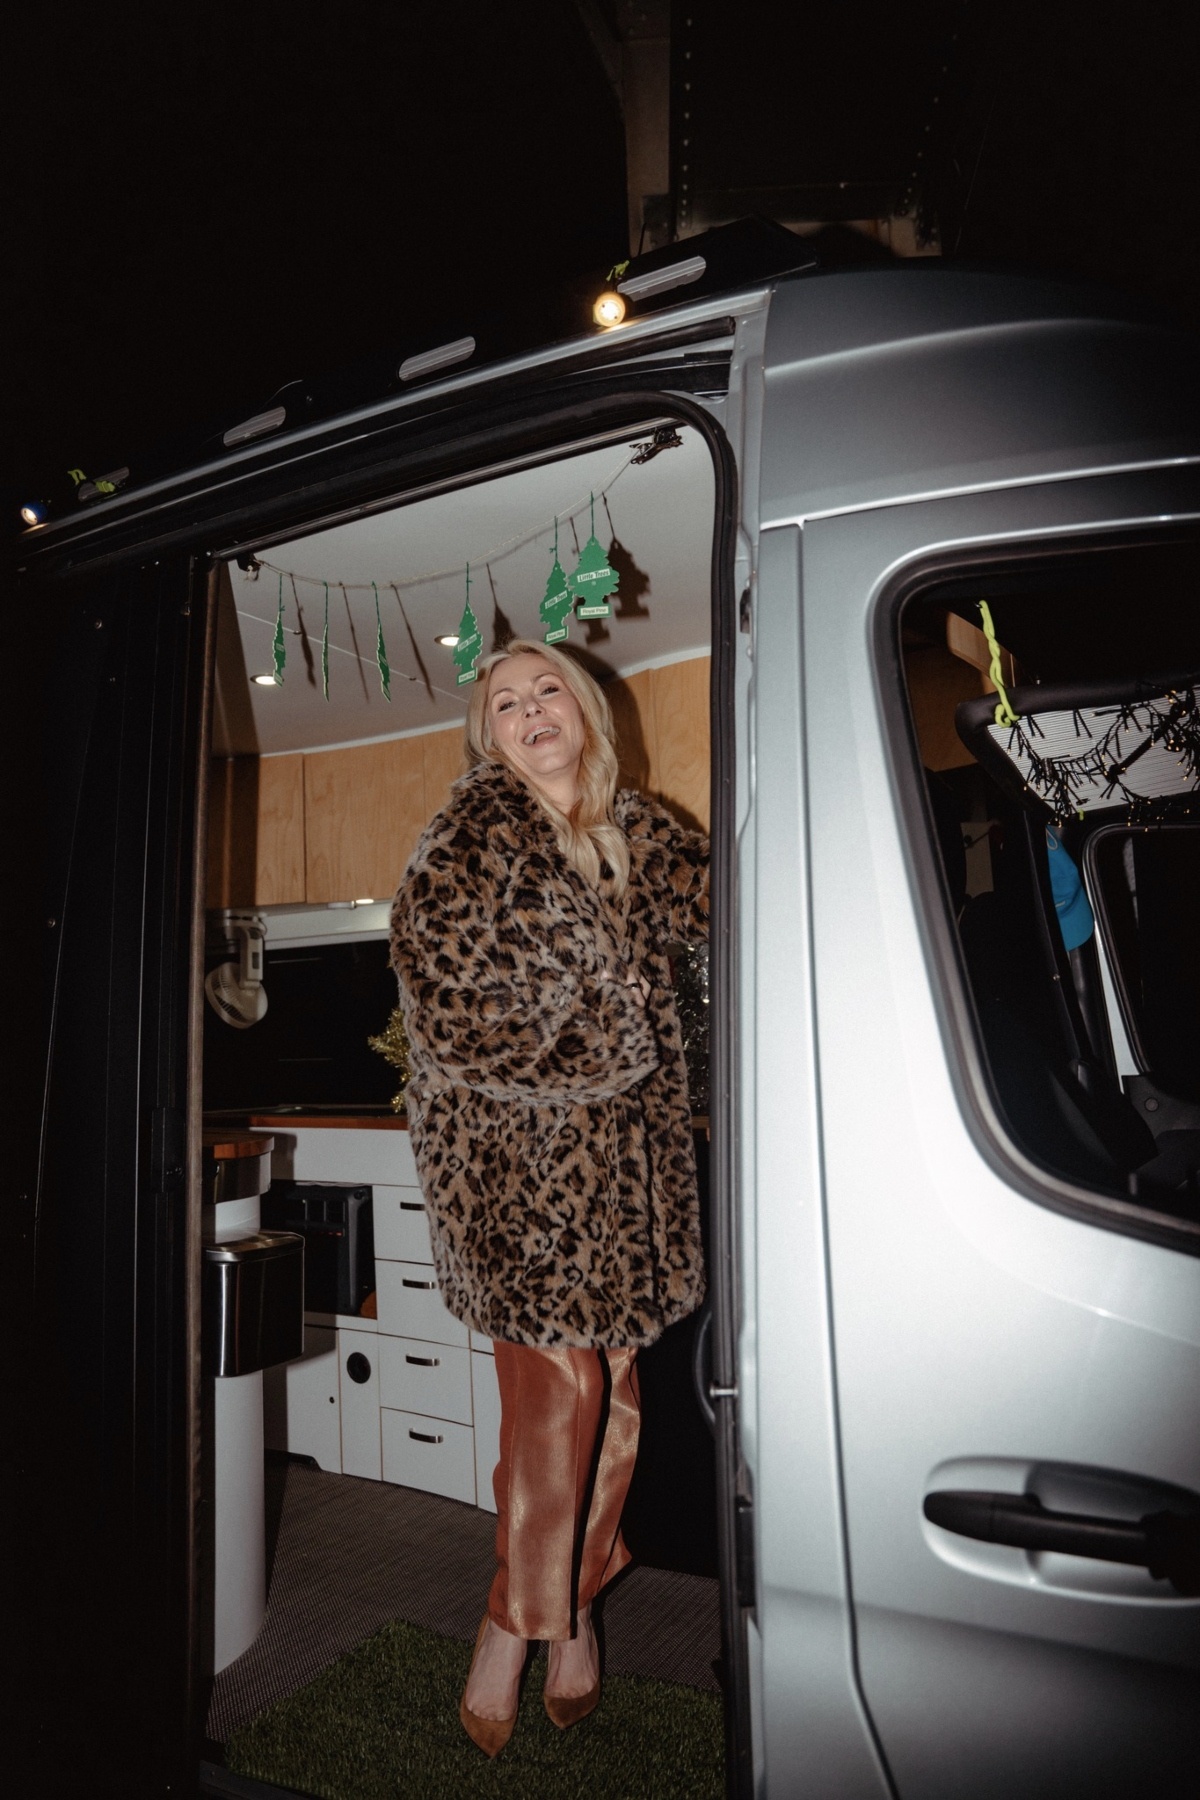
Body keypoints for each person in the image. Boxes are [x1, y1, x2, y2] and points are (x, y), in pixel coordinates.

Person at [389, 637, 709, 1756]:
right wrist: (617, 1030)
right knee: (557, 1399)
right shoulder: (466, 842)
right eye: (506, 703)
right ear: (489, 737)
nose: (530, 710)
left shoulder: (649, 838)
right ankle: (515, 1625)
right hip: (517, 1184)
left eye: (548, 690)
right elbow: (454, 1008)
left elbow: (721, 945)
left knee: (615, 1400)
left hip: (634, 1185)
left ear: (584, 712)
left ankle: (572, 1607)